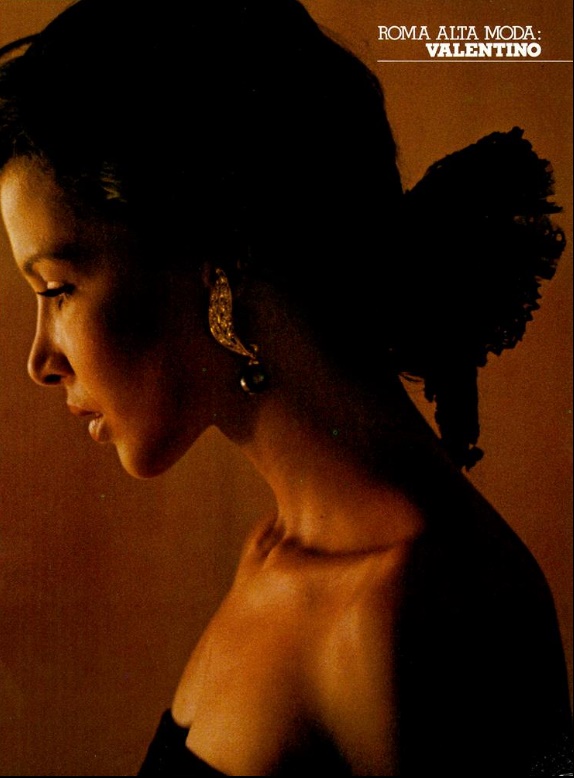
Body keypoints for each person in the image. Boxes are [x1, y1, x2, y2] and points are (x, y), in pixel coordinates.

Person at [0, 0, 570, 774]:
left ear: (214, 263)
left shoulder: (414, 610)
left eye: (58, 289)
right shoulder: (276, 550)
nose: (40, 359)